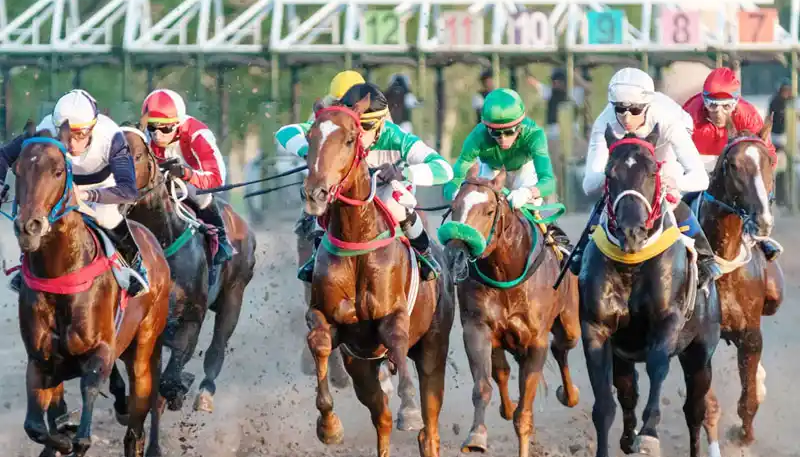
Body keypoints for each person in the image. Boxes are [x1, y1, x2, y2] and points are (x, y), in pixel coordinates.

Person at [275, 82, 453, 282]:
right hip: (350, 194)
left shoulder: (396, 137)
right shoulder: (339, 129)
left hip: (384, 191)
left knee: (393, 204)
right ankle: (317, 255)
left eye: (365, 127)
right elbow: (285, 132)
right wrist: (315, 153)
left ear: (381, 124)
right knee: (324, 201)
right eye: (356, 127)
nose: (359, 134)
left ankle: (424, 253)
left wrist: (403, 172)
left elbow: (444, 169)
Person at [569, 67, 722, 292]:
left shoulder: (667, 120)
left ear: (647, 106)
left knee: (666, 195)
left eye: (635, 109)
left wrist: (672, 182)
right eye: (620, 109)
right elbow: (589, 184)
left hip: (661, 151)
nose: (626, 117)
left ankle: (705, 256)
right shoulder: (605, 123)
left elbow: (700, 178)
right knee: (614, 193)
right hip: (624, 155)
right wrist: (616, 177)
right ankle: (582, 250)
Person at [0, 89, 148, 296]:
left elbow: (128, 190)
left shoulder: (112, 136)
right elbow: (4, 155)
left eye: (80, 135)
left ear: (93, 128)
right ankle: (25, 263)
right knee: (34, 212)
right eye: (68, 133)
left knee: (107, 216)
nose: (71, 143)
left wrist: (87, 196)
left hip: (101, 186)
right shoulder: (45, 129)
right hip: (59, 184)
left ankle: (134, 265)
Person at [444, 87, 572, 250]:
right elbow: (456, 176)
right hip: (491, 168)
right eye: (495, 133)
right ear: (487, 128)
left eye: (509, 131)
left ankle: (560, 249)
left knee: (533, 208)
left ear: (519, 126)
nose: (502, 139)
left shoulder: (534, 134)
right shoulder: (477, 136)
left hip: (523, 170)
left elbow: (548, 182)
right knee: (477, 207)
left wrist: (527, 193)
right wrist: (455, 194)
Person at [683, 67, 781, 261]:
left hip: (734, 163)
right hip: (695, 160)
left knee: (751, 189)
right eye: (712, 106)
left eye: (726, 106)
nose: (719, 113)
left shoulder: (748, 115)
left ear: (736, 103)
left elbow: (767, 155)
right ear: (703, 102)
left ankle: (760, 236)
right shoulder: (690, 114)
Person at [140, 88, 234, 265]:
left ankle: (220, 239)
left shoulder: (198, 134)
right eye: (152, 127)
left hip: (192, 184)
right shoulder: (144, 137)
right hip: (158, 184)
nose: (157, 135)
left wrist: (187, 174)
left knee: (201, 196)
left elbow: (217, 178)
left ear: (177, 123)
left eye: (165, 128)